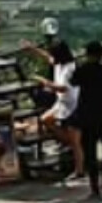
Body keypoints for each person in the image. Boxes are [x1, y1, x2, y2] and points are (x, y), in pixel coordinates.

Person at [22, 39, 83, 182]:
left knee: (75, 142)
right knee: (45, 120)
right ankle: (67, 141)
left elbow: (63, 88)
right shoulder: (58, 64)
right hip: (61, 102)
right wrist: (32, 48)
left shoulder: (70, 69)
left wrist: (45, 82)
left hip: (73, 105)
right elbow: (47, 57)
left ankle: (79, 169)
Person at [69, 41, 102, 197]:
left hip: (87, 118)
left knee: (90, 153)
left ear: (87, 53)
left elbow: (72, 81)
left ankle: (94, 186)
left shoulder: (82, 70)